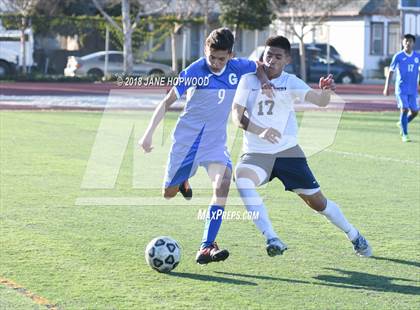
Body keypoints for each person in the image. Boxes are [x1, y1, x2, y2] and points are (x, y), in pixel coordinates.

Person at [231, 35, 372, 258]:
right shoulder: (248, 80)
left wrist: (326, 91)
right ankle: (272, 237)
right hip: (256, 153)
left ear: (287, 59)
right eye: (268, 55)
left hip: (288, 154)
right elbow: (237, 117)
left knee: (318, 204)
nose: (271, 60)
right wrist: (261, 131)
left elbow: (321, 101)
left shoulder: (291, 82)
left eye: (278, 57)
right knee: (242, 178)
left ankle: (354, 235)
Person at [139, 28, 270, 264]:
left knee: (223, 183)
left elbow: (259, 65)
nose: (217, 63)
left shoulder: (238, 66)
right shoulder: (194, 71)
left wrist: (264, 81)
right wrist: (148, 135)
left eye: (222, 58)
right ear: (205, 51)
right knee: (168, 194)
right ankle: (182, 182)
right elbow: (166, 102)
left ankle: (206, 246)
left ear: (230, 55)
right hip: (186, 143)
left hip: (214, 144)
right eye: (212, 58)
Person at [383, 33, 419, 142]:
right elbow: (390, 72)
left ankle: (402, 123)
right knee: (404, 109)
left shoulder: (417, 57)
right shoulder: (398, 56)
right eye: (406, 41)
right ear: (402, 43)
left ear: (413, 43)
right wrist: (386, 87)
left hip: (412, 90)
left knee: (415, 112)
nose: (408, 43)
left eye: (410, 41)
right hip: (401, 89)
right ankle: (405, 135)